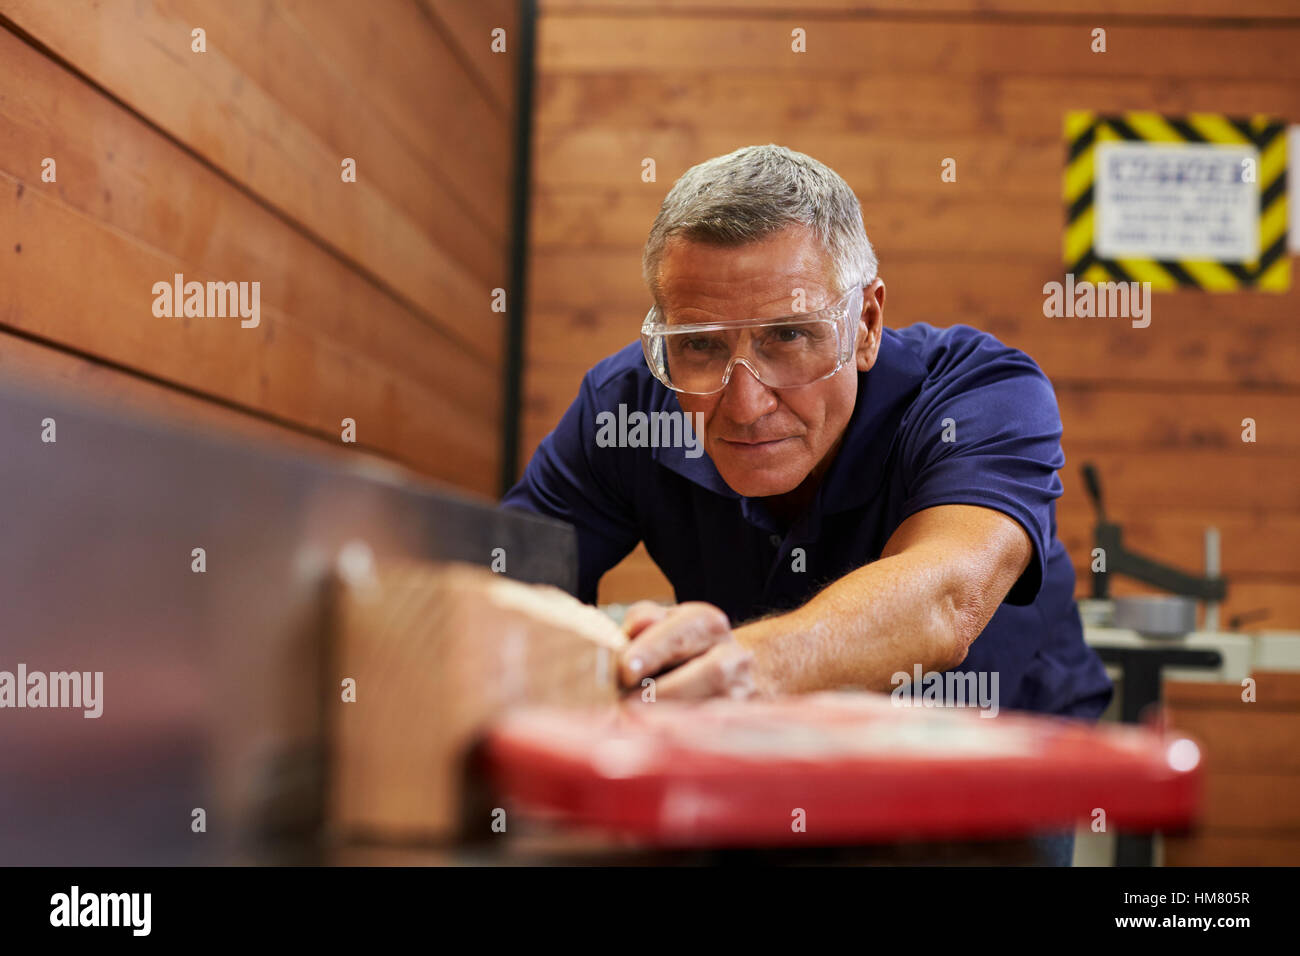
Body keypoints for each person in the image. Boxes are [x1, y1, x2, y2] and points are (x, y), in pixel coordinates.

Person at [503, 144, 1112, 727]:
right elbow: (505, 584)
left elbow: (945, 599)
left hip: (1004, 752)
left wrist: (753, 667)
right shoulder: (627, 407)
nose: (743, 406)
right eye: (699, 344)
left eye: (789, 337)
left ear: (866, 326)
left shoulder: (983, 394)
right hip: (769, 746)